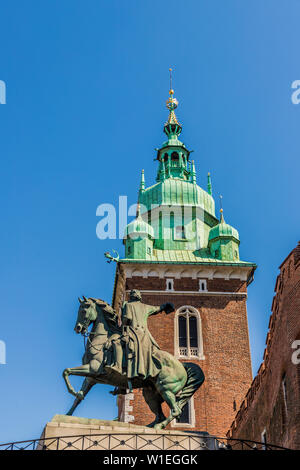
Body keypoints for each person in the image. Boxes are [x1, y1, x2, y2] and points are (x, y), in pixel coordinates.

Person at [105, 289, 174, 380]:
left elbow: (127, 319)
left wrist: (122, 323)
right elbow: (157, 309)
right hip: (145, 336)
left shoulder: (128, 305)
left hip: (133, 333)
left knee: (116, 343)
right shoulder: (145, 307)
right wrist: (165, 306)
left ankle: (118, 367)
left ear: (132, 296)